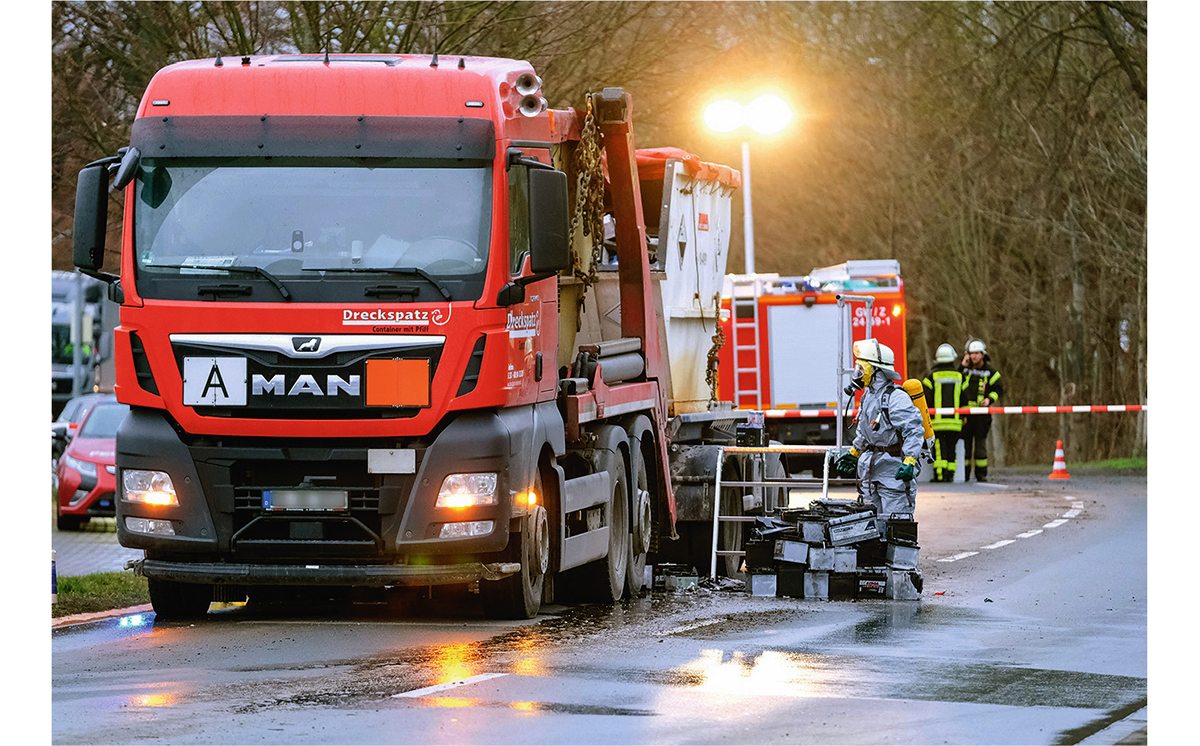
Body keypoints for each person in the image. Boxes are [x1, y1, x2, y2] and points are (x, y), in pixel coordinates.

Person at [834, 339, 927, 531]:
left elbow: (914, 430)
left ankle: (899, 561)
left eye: (862, 368)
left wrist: (909, 459)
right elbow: (864, 429)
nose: (857, 373)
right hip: (870, 471)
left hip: (893, 472)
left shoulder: (895, 397)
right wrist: (854, 452)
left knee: (895, 524)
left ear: (875, 370)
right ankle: (875, 560)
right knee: (869, 526)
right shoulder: (868, 395)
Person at [959, 338, 1004, 482]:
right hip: (965, 414)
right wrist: (961, 366)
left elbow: (999, 388)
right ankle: (963, 474)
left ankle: (981, 474)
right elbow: (955, 381)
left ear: (983, 354)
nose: (974, 356)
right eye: (972, 353)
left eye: (977, 353)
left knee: (980, 445)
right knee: (965, 446)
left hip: (982, 414)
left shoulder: (990, 371)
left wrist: (989, 400)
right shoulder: (964, 370)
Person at [922, 343, 965, 482]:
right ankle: (950, 475)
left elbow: (925, 398)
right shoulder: (959, 376)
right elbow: (965, 397)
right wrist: (963, 416)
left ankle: (940, 475)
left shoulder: (931, 376)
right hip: (955, 421)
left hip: (937, 422)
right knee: (952, 449)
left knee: (940, 449)